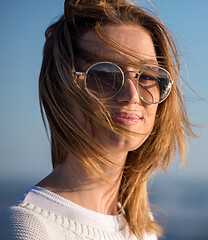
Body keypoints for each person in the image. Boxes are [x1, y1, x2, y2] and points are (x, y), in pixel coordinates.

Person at [0, 0, 195, 239]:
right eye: (105, 74)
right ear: (60, 88)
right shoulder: (31, 228)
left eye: (147, 76)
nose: (131, 95)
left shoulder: (140, 226)